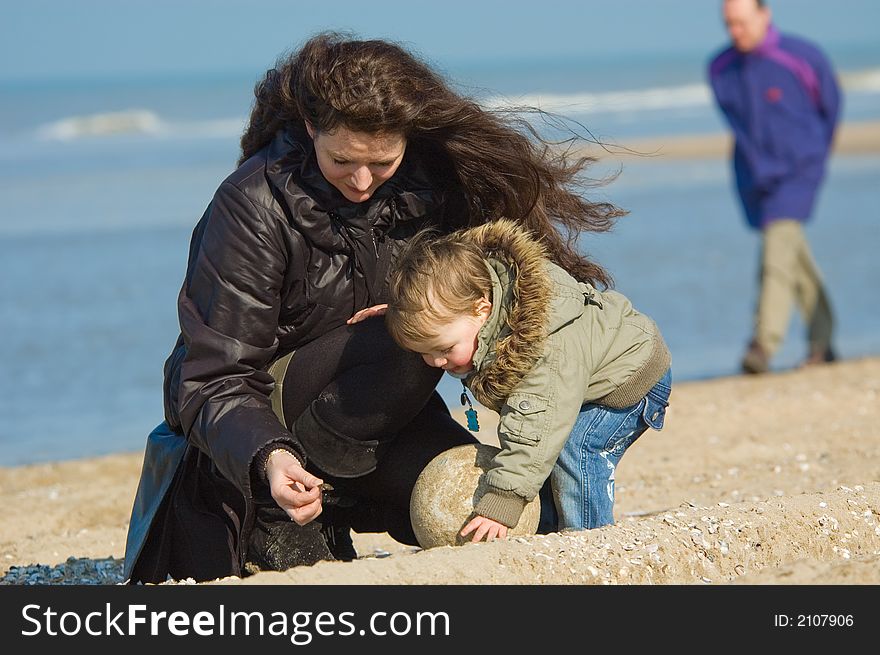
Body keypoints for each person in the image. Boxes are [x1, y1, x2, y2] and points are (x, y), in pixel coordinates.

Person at [123, 32, 626, 583]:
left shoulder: (436, 181)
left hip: (382, 416)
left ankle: (343, 502)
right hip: (263, 424)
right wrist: (269, 457)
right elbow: (213, 378)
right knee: (403, 339)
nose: (362, 181)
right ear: (311, 127)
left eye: (382, 162)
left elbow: (516, 294)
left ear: (407, 137)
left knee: (477, 508)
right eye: (343, 160)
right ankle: (279, 508)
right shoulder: (250, 209)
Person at [380, 219, 672, 540]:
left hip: (632, 376)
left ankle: (588, 539)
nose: (436, 362)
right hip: (583, 381)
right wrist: (410, 315)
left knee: (575, 448)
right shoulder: (475, 308)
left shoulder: (542, 346)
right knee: (545, 460)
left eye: (444, 348)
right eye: (425, 351)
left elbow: (537, 427)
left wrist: (505, 499)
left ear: (482, 308)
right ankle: (547, 530)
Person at [708, 0, 841, 374]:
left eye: (742, 22)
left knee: (776, 249)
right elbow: (738, 123)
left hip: (800, 169)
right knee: (790, 254)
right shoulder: (720, 68)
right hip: (753, 174)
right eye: (729, 24)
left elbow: (831, 106)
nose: (736, 31)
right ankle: (823, 340)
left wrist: (813, 154)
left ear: (764, 15)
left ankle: (763, 344)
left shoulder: (802, 56)